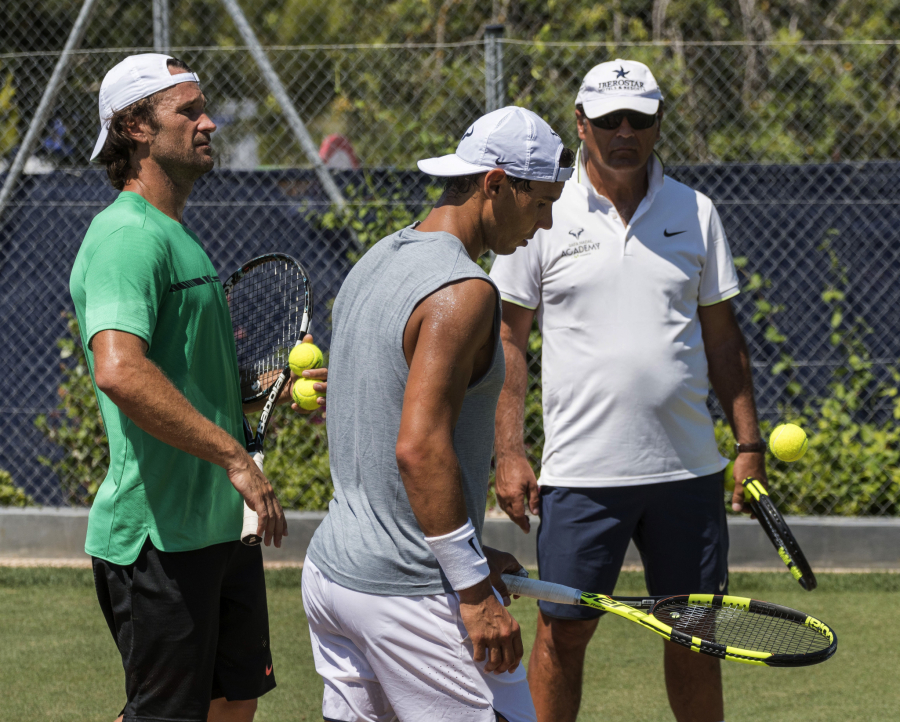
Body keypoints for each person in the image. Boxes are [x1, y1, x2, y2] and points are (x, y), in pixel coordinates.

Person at [490, 60, 767, 722]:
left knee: (695, 639)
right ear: (580, 125)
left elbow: (725, 341)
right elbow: (507, 341)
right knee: (564, 630)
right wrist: (508, 450)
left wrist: (749, 442)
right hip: (580, 475)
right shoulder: (542, 211)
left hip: (688, 472)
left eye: (639, 119)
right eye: (609, 120)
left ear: (658, 123)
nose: (624, 132)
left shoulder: (696, 212)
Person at [70, 54, 325, 722]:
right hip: (157, 538)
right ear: (136, 127)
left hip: (216, 530)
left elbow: (189, 387)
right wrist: (235, 456)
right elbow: (120, 370)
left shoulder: (177, 237)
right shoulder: (126, 236)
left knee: (234, 704)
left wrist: (262, 396)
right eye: (188, 111)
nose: (209, 122)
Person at [302, 107, 575, 722]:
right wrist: (474, 591)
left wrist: (474, 557)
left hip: (333, 578)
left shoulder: (376, 259)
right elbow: (419, 448)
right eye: (541, 203)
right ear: (496, 185)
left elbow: (367, 405)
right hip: (407, 590)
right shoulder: (467, 291)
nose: (548, 221)